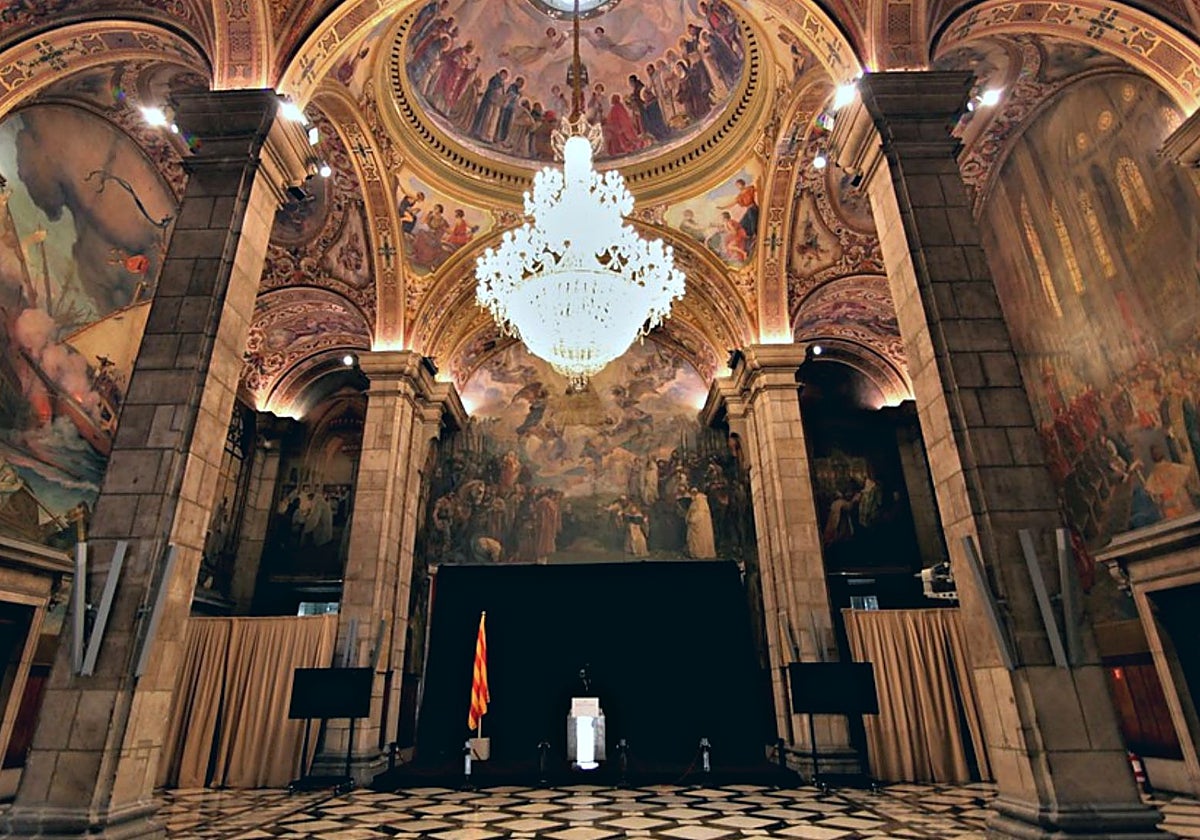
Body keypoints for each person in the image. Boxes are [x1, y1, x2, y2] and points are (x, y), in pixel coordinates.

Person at [685, 487, 716, 558]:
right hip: (694, 523)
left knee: (700, 539)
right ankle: (693, 553)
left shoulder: (701, 501)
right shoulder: (694, 501)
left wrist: (693, 519)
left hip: (700, 524)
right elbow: (691, 510)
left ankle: (700, 553)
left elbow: (700, 513)